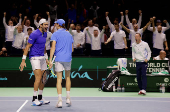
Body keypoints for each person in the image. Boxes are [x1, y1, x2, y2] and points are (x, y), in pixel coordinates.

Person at [19, 19, 50, 106]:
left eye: (47, 25)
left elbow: (43, 46)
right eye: (45, 25)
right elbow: (28, 46)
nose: (47, 26)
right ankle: (34, 98)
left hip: (42, 57)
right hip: (34, 57)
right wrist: (23, 60)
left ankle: (40, 97)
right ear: (40, 25)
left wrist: (46, 58)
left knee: (44, 78)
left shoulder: (45, 33)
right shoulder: (34, 34)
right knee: (38, 77)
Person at [49, 19, 74, 108]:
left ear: (59, 25)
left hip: (59, 59)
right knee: (68, 77)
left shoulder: (55, 34)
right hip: (68, 58)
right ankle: (68, 98)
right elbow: (72, 49)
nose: (55, 25)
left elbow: (53, 48)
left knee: (59, 80)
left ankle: (60, 101)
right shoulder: (69, 34)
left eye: (55, 24)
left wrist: (50, 60)